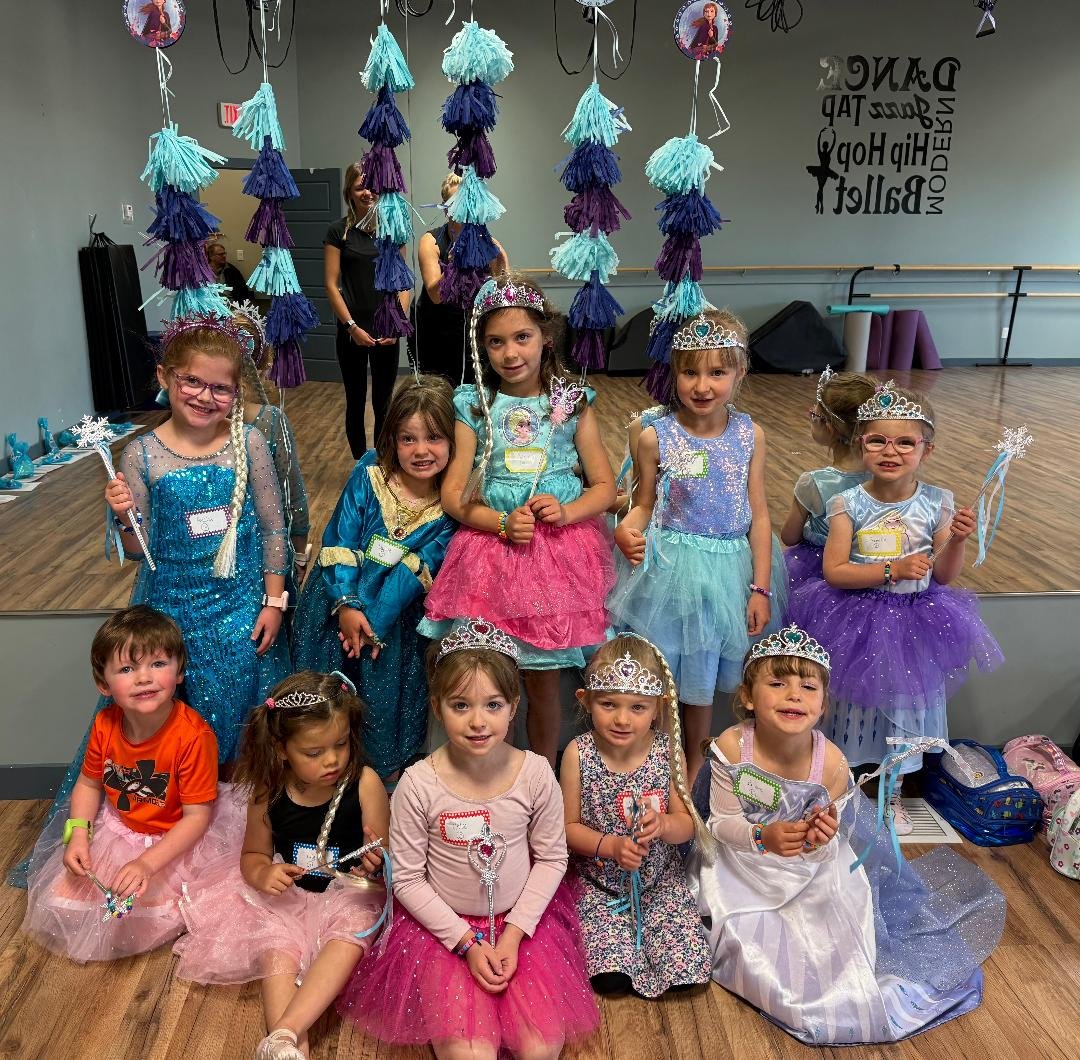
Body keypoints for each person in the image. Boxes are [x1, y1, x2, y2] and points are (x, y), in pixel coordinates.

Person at [688, 626, 1005, 1045]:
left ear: (822, 704)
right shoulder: (733, 746)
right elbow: (721, 823)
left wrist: (822, 835)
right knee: (750, 941)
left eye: (808, 686)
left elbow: (832, 831)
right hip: (743, 859)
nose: (793, 695)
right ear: (748, 696)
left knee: (830, 929)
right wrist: (764, 837)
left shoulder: (832, 763)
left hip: (807, 866)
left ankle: (843, 989)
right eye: (777, 683)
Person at [338, 621, 599, 1059]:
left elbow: (553, 859)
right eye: (461, 705)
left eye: (493, 705)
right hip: (446, 930)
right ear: (438, 708)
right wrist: (466, 942)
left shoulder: (535, 774)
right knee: (469, 1053)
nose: (478, 721)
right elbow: (406, 878)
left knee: (540, 1049)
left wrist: (513, 937)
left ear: (514, 706)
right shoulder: (419, 785)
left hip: (522, 924)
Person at [787, 381, 1003, 833]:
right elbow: (836, 571)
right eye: (878, 440)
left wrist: (958, 539)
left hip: (915, 620)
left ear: (927, 448)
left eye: (906, 441)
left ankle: (893, 794)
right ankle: (842, 787)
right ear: (861, 444)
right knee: (851, 706)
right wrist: (891, 570)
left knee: (906, 707)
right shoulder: (847, 502)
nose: (892, 450)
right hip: (855, 617)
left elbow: (943, 575)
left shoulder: (936, 502)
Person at [420, 274, 616, 766]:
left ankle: (543, 775)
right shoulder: (476, 406)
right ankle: (492, 773)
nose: (510, 353)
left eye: (522, 337)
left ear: (545, 337)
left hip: (559, 559)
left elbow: (606, 488)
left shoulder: (571, 402)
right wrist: (500, 523)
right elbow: (454, 496)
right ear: (481, 347)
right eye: (496, 342)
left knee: (543, 682)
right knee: (487, 679)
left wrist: (568, 510)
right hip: (493, 557)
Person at [609, 310, 788, 783]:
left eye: (717, 372)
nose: (702, 385)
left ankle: (695, 762)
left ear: (739, 372)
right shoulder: (655, 437)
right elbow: (643, 504)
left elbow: (760, 514)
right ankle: (661, 762)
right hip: (669, 568)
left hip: (729, 568)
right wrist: (625, 529)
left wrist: (761, 588)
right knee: (666, 669)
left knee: (704, 674)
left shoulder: (750, 435)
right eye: (690, 371)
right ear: (674, 373)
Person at [174, 670, 389, 1060]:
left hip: (349, 899)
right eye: (314, 752)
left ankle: (286, 1031)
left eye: (340, 744)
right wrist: (264, 873)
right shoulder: (268, 792)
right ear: (280, 749)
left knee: (348, 939)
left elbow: (383, 858)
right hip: (289, 899)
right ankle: (288, 1048)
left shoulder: (365, 784)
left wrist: (374, 864)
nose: (333, 759)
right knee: (275, 949)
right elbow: (253, 857)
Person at [21, 607, 230, 963]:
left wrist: (147, 864)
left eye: (158, 664)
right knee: (65, 901)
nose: (144, 678)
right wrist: (80, 833)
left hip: (173, 839)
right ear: (104, 684)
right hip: (120, 830)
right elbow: (88, 785)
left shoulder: (193, 737)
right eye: (127, 669)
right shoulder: (105, 724)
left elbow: (197, 818)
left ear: (179, 671)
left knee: (158, 914)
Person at [291, 375, 456, 780]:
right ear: (391, 439)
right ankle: (323, 775)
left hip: (391, 626)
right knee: (329, 695)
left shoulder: (453, 504)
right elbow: (340, 540)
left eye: (434, 438)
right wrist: (347, 606)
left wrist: (374, 625)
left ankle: (380, 781)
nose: (420, 451)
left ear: (455, 441)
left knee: (384, 703)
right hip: (335, 608)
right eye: (408, 439)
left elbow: (414, 571)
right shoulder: (369, 473)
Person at [560, 633, 711, 997]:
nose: (622, 719)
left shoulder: (665, 750)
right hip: (599, 886)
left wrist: (663, 825)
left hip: (659, 885)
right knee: (611, 978)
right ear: (586, 700)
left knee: (687, 972)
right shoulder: (577, 753)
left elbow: (686, 824)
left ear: (657, 707)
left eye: (638, 708)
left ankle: (665, 949)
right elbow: (567, 829)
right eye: (609, 704)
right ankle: (616, 955)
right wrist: (609, 846)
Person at [324, 163, 409, 458]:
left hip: (386, 328)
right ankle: (361, 464)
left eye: (371, 186)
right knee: (356, 399)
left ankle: (384, 463)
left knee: (384, 402)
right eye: (359, 186)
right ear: (349, 191)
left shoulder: (393, 229)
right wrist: (350, 327)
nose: (367, 192)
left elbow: (404, 285)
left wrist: (396, 325)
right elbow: (331, 285)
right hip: (352, 329)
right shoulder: (338, 231)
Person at [232, 300, 310, 583]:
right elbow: (292, 491)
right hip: (263, 561)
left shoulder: (266, 422)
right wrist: (300, 552)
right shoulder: (268, 420)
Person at [779, 366, 875, 591]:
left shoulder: (813, 483)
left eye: (814, 415)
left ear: (830, 428)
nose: (810, 417)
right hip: (873, 569)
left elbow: (789, 536)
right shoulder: (884, 479)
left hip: (820, 574)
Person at [410, 172, 510, 386]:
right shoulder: (431, 241)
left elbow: (503, 289)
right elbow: (435, 294)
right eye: (457, 204)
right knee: (440, 395)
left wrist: (500, 262)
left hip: (475, 333)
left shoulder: (489, 243)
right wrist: (456, 260)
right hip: (436, 334)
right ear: (446, 209)